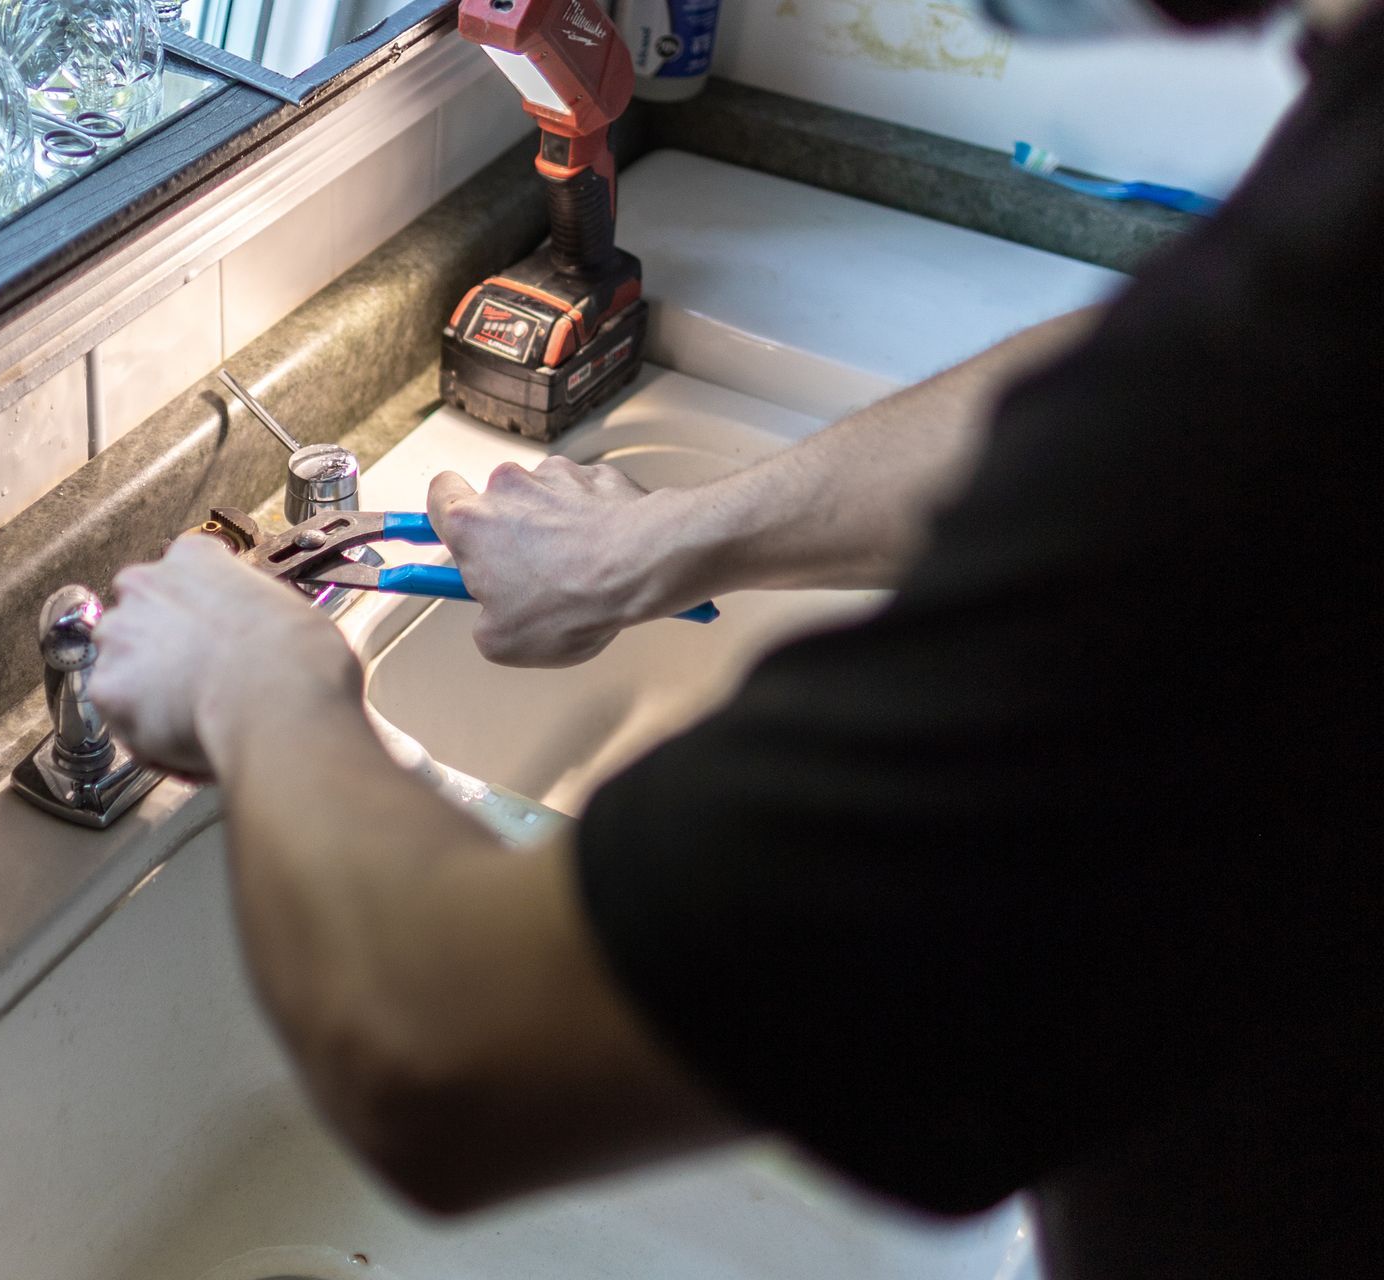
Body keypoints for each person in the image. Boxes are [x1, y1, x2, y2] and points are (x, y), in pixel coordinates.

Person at [86, 0, 1381, 1273]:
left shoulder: (1280, 449)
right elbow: (1143, 372)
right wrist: (682, 533)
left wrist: (265, 687)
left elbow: (450, 1056)